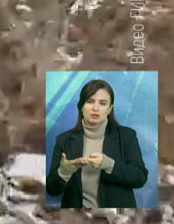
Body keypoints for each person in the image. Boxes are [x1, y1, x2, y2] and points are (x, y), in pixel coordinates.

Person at [45, 79, 148, 208]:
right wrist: (64, 172)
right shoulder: (63, 140)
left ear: (110, 108)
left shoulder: (127, 136)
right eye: (89, 101)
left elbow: (140, 177)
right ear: (81, 106)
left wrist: (109, 165)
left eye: (103, 103)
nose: (95, 108)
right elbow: (52, 190)